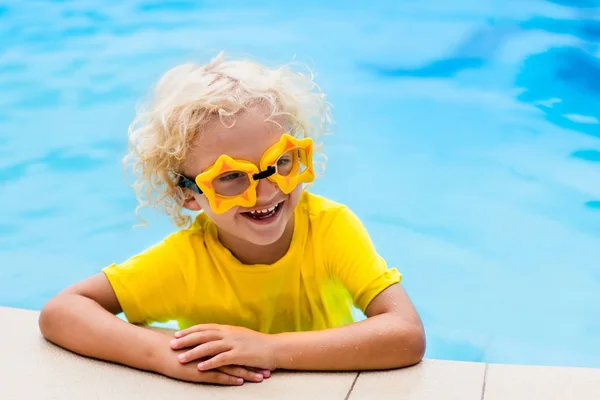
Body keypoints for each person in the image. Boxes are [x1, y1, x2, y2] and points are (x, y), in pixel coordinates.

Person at [38, 52, 425, 386]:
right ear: (189, 194)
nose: (266, 191)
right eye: (230, 177)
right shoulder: (186, 262)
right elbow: (62, 312)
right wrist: (161, 354)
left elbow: (405, 333)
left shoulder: (329, 227)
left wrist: (269, 349)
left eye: (279, 163)